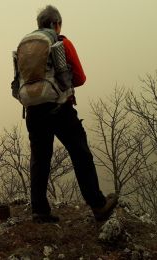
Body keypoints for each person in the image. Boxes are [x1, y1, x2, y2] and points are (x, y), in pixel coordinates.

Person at [24, 5, 118, 223]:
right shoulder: (61, 42)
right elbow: (80, 77)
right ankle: (98, 204)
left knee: (40, 159)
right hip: (59, 109)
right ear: (56, 24)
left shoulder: (26, 47)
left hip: (32, 111)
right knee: (80, 153)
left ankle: (39, 210)